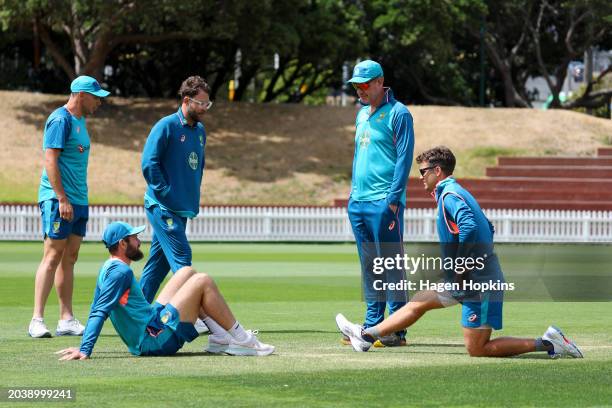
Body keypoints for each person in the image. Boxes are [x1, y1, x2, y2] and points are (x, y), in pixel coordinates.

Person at [336, 146, 583, 358]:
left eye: (423, 172)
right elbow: (488, 227)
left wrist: (463, 267)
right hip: (468, 279)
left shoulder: (451, 195)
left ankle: (550, 343)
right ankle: (365, 336)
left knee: (478, 349)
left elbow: (471, 226)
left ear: (437, 171)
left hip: (479, 283)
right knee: (418, 302)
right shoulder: (452, 193)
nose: (420, 177)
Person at [56, 221, 275, 360]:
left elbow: (97, 306)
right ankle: (243, 340)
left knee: (187, 272)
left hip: (151, 324)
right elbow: (99, 312)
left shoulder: (108, 268)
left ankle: (219, 338)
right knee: (203, 281)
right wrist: (85, 349)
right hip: (152, 340)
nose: (139, 242)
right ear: (123, 244)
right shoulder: (120, 273)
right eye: (134, 238)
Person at [29, 76, 110, 338]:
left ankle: (66, 319)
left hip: (79, 200)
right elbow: (50, 161)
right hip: (58, 199)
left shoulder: (81, 121)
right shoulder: (60, 120)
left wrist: (75, 199)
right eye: (96, 96)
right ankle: (37, 320)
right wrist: (61, 198)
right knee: (52, 256)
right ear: (81, 95)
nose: (99, 102)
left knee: (70, 258)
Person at [344, 60, 415, 347]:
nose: (359, 90)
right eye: (355, 86)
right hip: (358, 201)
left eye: (364, 84)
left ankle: (396, 329)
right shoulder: (361, 115)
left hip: (384, 201)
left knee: (391, 265)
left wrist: (394, 200)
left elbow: (404, 158)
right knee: (370, 265)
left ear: (379, 82)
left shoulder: (399, 114)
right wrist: (352, 194)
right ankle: (373, 325)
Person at [139, 75, 212, 334]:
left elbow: (197, 167)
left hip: (182, 208)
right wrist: (166, 192)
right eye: (201, 104)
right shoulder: (166, 126)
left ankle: (136, 314)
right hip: (163, 206)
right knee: (183, 261)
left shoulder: (200, 132)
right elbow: (149, 163)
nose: (204, 109)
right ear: (186, 100)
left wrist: (190, 196)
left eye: (208, 104)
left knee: (156, 267)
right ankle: (199, 318)